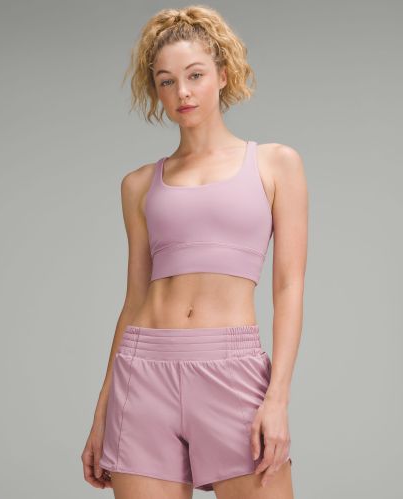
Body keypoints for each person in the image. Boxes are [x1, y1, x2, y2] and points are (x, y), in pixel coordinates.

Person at [81, 6, 307, 498]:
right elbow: (134, 299)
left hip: (232, 370)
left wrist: (278, 399)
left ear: (223, 75)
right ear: (156, 91)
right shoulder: (139, 184)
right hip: (142, 375)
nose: (182, 92)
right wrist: (101, 413)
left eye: (195, 75)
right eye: (167, 81)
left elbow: (289, 287)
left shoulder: (275, 164)